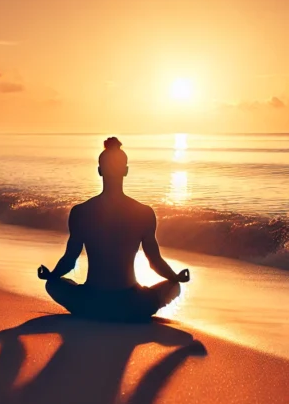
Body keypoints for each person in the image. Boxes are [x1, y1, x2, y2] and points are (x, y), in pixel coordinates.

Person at [37, 137, 190, 322]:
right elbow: (154, 261)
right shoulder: (144, 212)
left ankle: (95, 312)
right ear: (125, 171)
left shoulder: (81, 212)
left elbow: (70, 260)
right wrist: (175, 277)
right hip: (132, 304)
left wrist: (51, 275)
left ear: (100, 171)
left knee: (53, 285)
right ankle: (125, 313)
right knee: (174, 287)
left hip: (91, 302)